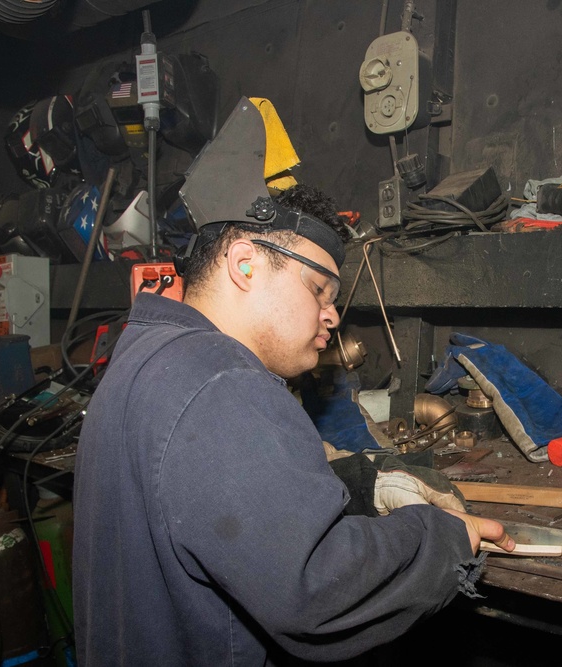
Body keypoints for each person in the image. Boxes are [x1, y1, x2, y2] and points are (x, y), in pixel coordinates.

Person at [71, 181, 515, 665]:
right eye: (319, 289)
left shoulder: (148, 355)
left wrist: (362, 487)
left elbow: (218, 503)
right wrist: (445, 537)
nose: (331, 318)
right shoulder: (224, 381)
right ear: (246, 264)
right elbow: (319, 589)